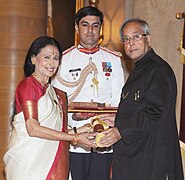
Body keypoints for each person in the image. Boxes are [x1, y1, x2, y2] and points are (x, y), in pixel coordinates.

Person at [98, 18, 184, 180]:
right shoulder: (139, 70)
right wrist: (118, 119)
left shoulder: (158, 70)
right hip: (136, 159)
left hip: (150, 160)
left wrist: (120, 131)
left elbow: (155, 113)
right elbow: (139, 109)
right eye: (126, 39)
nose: (131, 43)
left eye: (136, 37)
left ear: (148, 39)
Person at [3, 36, 97, 180]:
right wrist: (75, 137)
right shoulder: (29, 85)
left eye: (56, 58)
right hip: (30, 163)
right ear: (33, 59)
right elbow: (33, 129)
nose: (51, 63)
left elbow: (53, 131)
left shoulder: (54, 92)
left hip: (51, 160)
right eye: (47, 57)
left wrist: (80, 129)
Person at [52, 6, 124, 180]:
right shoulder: (63, 60)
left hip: (104, 139)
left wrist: (112, 127)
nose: (90, 30)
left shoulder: (113, 60)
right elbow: (57, 102)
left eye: (95, 25)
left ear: (101, 29)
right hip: (75, 140)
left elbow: (119, 99)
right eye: (85, 25)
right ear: (77, 28)